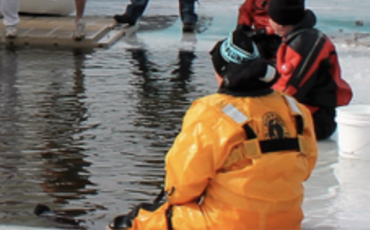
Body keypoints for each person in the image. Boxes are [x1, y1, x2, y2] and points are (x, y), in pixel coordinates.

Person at [109, 26, 317, 230]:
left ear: (223, 73)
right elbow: (306, 168)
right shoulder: (294, 109)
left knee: (136, 220)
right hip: (287, 222)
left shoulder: (211, 113)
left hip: (226, 224)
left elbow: (182, 187)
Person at [268, 0, 353, 140]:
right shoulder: (298, 37)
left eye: (270, 18)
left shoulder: (304, 45)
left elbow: (289, 89)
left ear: (280, 23)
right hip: (305, 112)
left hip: (315, 119)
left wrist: (257, 102)